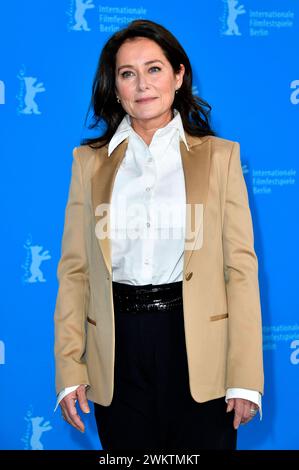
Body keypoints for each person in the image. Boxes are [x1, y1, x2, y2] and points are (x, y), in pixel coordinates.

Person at [54, 19, 264, 450]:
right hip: (116, 350)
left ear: (179, 75)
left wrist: (245, 378)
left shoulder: (221, 158)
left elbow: (239, 270)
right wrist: (69, 368)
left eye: (154, 69)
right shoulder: (88, 164)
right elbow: (74, 272)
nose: (142, 84)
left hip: (197, 349)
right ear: (115, 87)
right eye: (127, 73)